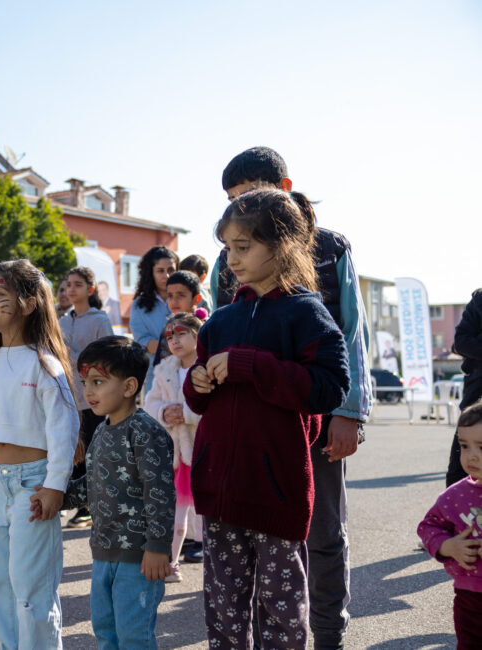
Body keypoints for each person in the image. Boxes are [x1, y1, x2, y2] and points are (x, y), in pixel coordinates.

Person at [213, 147, 371, 649]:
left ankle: (327, 636)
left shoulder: (331, 247)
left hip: (320, 413)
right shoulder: (226, 258)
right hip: (256, 423)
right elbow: (218, 339)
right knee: (259, 536)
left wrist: (348, 413)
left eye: (250, 197)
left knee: (323, 531)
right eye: (233, 200)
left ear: (282, 189)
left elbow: (352, 333)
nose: (240, 209)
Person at [186, 188, 350, 649]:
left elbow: (329, 387)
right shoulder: (220, 321)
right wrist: (196, 384)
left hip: (276, 496)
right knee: (222, 610)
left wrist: (249, 365)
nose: (232, 259)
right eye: (227, 248)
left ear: (281, 247)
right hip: (220, 493)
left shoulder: (307, 313)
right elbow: (202, 401)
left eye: (244, 247)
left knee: (281, 611)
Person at [0, 259, 79, 650]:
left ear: (29, 303)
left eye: (1, 295)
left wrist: (54, 486)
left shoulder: (44, 363)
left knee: (31, 585)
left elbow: (64, 429)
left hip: (34, 484)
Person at [63, 336, 175, 649]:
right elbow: (91, 484)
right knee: (105, 631)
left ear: (128, 387)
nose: (88, 391)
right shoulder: (101, 429)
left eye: (98, 381)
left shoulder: (145, 431)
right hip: (103, 551)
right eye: (85, 381)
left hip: (140, 556)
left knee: (133, 635)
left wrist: (158, 546)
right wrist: (57, 498)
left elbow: (160, 493)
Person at [144, 313, 204, 583]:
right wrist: (164, 413)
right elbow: (150, 403)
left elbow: (216, 406)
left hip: (203, 448)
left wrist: (189, 415)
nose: (174, 340)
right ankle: (171, 562)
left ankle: (217, 564)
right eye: (169, 337)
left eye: (180, 333)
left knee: (206, 512)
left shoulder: (206, 367)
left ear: (197, 333)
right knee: (176, 512)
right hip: (175, 452)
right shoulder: (165, 370)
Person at [417, 401, 482, 649]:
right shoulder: (455, 496)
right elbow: (428, 527)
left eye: (481, 446)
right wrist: (448, 546)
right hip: (470, 598)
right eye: (465, 446)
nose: (471, 455)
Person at [58, 265, 111, 529]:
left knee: (93, 451)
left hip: (94, 399)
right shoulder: (62, 321)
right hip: (67, 398)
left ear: (90, 289)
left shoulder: (99, 320)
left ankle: (91, 506)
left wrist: (75, 354)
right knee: (73, 452)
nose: (71, 289)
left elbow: (109, 358)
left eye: (77, 284)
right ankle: (75, 502)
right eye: (68, 284)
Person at [129, 246, 178, 396]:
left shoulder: (187, 298)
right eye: (160, 270)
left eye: (171, 269)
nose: (167, 275)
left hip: (185, 373)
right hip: (155, 376)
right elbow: (141, 340)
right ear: (150, 273)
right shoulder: (139, 306)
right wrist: (176, 346)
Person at [449, 289, 482, 486]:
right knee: (458, 474)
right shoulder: (480, 300)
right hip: (477, 397)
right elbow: (461, 342)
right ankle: (453, 517)